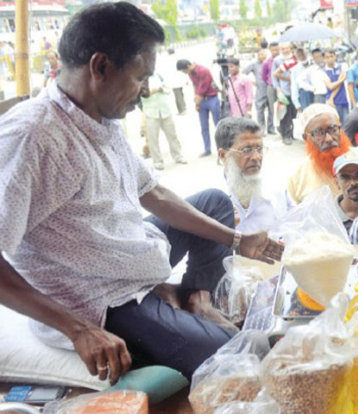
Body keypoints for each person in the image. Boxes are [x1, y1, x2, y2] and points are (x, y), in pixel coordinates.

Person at [0, 2, 282, 385]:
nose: (146, 91)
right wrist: (79, 330)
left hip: (131, 257)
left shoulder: (100, 116)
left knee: (215, 201)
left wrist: (237, 240)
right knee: (237, 356)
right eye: (140, 77)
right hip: (103, 301)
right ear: (100, 67)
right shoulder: (32, 137)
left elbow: (154, 193)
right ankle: (174, 306)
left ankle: (195, 298)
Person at [217, 117, 293, 234]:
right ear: (223, 155)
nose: (257, 157)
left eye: (260, 149)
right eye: (247, 150)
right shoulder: (212, 204)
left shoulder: (278, 192)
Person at [287, 104, 353, 204]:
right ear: (306, 138)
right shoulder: (297, 177)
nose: (329, 139)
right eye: (318, 133)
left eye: (333, 129)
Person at [140, 72, 187, 170]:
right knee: (153, 139)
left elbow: (168, 89)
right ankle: (157, 161)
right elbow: (141, 96)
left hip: (165, 110)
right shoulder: (142, 80)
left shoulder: (159, 76)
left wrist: (161, 89)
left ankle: (178, 156)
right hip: (151, 113)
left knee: (172, 136)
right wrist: (152, 91)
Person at [176, 59, 221, 157]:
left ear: (188, 66)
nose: (185, 73)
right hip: (202, 101)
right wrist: (196, 102)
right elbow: (195, 86)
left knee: (218, 125)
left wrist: (197, 101)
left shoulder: (203, 71)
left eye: (184, 71)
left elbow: (202, 88)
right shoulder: (190, 73)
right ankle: (207, 149)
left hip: (211, 98)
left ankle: (221, 147)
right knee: (204, 127)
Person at [272, 43, 298, 145]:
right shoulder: (277, 60)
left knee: (294, 113)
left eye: (287, 48)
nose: (286, 50)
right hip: (284, 90)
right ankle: (285, 135)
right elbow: (274, 76)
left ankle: (293, 133)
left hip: (295, 91)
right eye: (283, 48)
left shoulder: (296, 60)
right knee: (285, 114)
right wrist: (278, 89)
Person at [244, 48, 272, 134]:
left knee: (271, 109)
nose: (262, 56)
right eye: (260, 54)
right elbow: (243, 73)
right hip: (260, 90)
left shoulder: (270, 63)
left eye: (263, 54)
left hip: (270, 89)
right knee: (260, 110)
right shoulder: (254, 65)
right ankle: (261, 129)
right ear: (257, 56)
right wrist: (251, 82)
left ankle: (271, 128)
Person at [323, 48, 349, 124]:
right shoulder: (323, 71)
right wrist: (341, 80)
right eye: (327, 57)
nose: (330, 59)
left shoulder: (342, 66)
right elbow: (330, 86)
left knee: (345, 126)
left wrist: (332, 97)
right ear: (324, 58)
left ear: (335, 56)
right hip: (331, 103)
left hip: (343, 100)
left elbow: (339, 82)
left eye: (331, 56)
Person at [261, 42, 279, 135]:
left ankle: (281, 126)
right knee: (272, 108)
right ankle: (271, 128)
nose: (276, 51)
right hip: (271, 87)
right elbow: (263, 76)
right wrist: (269, 83)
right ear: (270, 50)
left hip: (282, 86)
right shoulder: (267, 62)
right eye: (273, 50)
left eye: (277, 49)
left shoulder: (282, 60)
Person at [291, 47, 314, 112]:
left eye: (303, 54)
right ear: (297, 57)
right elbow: (294, 86)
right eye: (299, 55)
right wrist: (297, 104)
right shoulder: (295, 69)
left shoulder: (313, 64)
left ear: (306, 54)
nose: (302, 57)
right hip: (304, 94)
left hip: (315, 92)